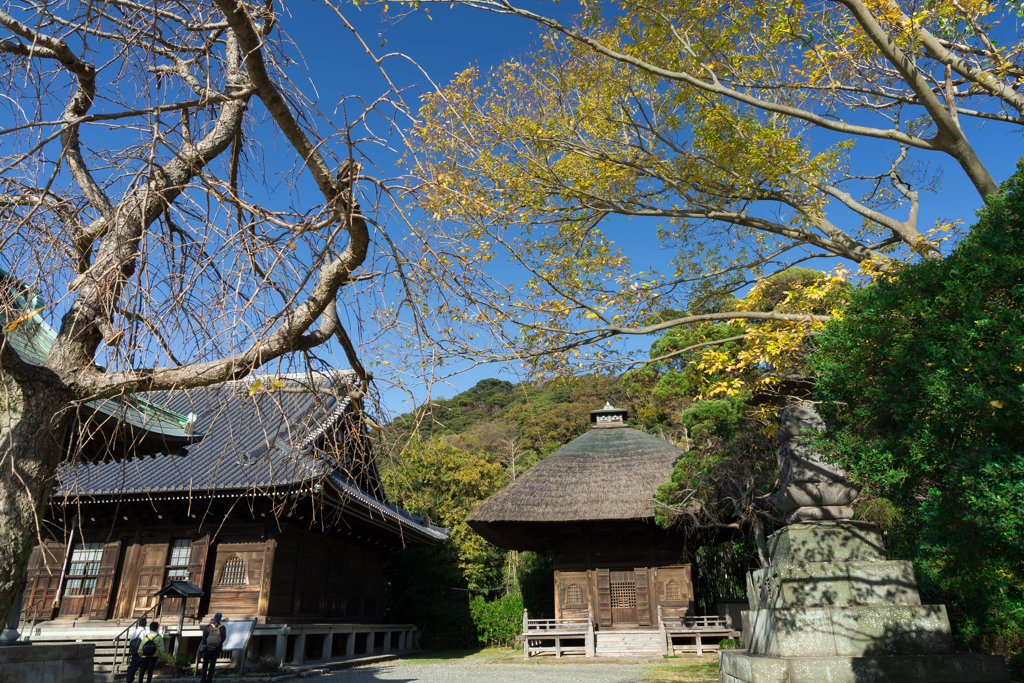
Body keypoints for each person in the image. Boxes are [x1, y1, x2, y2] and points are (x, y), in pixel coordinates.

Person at [199, 613, 227, 683]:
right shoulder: (222, 627)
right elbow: (223, 638)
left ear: (214, 618)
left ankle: (203, 679)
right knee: (212, 664)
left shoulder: (209, 626)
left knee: (205, 664)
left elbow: (204, 636)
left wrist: (206, 645)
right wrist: (217, 645)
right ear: (220, 619)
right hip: (216, 648)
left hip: (207, 648)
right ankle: (209, 679)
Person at [125, 616, 148, 683]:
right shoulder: (144, 632)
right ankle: (132, 680)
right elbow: (145, 642)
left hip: (134, 651)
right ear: (145, 624)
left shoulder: (135, 631)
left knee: (133, 666)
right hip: (140, 652)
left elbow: (131, 641)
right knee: (142, 667)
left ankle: (129, 679)